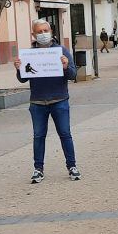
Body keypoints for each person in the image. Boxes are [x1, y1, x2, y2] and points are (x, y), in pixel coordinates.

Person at [14, 19, 79, 184]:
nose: (43, 34)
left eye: (45, 30)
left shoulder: (61, 50)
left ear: (51, 31)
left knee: (65, 134)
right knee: (38, 136)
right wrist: (18, 68)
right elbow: (22, 79)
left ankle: (72, 166)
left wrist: (65, 67)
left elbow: (73, 75)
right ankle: (38, 169)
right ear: (33, 34)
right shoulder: (29, 54)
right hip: (37, 102)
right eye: (39, 31)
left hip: (60, 100)